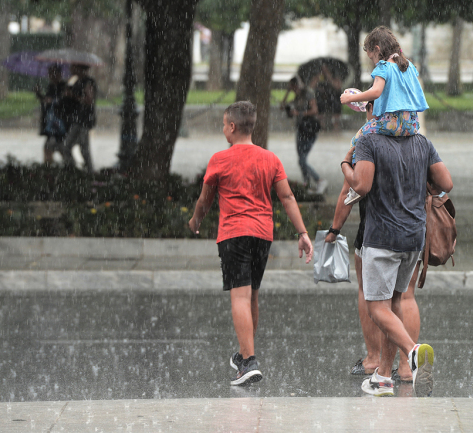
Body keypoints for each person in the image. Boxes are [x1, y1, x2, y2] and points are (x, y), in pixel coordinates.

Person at [189, 101, 314, 386]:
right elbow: (287, 198)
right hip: (262, 235)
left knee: (240, 297)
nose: (223, 129)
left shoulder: (220, 159)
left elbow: (205, 200)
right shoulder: (270, 159)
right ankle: (246, 357)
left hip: (234, 234)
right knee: (253, 295)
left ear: (232, 127)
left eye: (223, 124)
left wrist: (196, 221)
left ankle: (249, 361)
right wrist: (302, 232)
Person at [339, 129, 452, 398]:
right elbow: (446, 182)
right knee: (396, 302)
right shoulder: (421, 142)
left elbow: (360, 186)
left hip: (382, 236)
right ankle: (383, 377)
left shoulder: (369, 141)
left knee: (376, 306)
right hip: (414, 236)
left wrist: (345, 164)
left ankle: (413, 353)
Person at [325, 102, 421, 383]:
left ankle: (374, 358)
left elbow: (352, 189)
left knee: (372, 296)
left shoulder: (367, 140)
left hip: (377, 232)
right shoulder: (416, 139)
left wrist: (335, 228)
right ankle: (405, 367)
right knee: (405, 296)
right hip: (414, 229)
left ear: (371, 110)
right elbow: (439, 183)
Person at [340, 26, 429, 206]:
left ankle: (357, 182)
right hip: (411, 124)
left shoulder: (384, 66)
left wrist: (351, 97)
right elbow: (398, 94)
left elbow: (376, 91)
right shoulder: (409, 66)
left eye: (371, 57)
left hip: (392, 124)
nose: (373, 62)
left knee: (358, 138)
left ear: (377, 49)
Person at [280, 76, 328, 194]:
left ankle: (319, 180)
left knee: (302, 161)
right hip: (301, 129)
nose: (294, 89)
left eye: (295, 87)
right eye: (292, 87)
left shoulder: (308, 93)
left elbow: (314, 110)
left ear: (299, 85)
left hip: (310, 129)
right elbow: (282, 106)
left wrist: (299, 113)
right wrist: (287, 92)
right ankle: (307, 184)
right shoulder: (297, 96)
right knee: (301, 160)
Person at [59, 63, 97, 175]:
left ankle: (90, 172)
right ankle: (72, 169)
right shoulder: (76, 81)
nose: (70, 69)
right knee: (67, 146)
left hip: (85, 119)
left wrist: (73, 96)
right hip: (77, 118)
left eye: (73, 67)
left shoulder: (88, 82)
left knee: (84, 149)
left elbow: (89, 100)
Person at [33, 64, 67, 165]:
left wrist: (53, 101)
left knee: (56, 147)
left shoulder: (64, 87)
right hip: (50, 123)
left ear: (59, 74)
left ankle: (64, 167)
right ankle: (52, 167)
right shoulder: (51, 86)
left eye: (53, 73)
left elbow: (64, 102)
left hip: (60, 123)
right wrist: (39, 94)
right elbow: (46, 102)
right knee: (52, 147)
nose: (51, 76)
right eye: (50, 73)